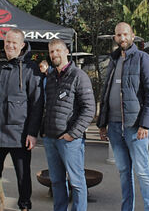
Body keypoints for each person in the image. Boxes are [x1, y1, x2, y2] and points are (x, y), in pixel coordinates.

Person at [97, 22, 149, 211]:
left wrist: (146, 124)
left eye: (125, 34)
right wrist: (102, 123)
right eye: (118, 35)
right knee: (124, 171)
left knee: (142, 172)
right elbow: (106, 93)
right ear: (115, 38)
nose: (122, 38)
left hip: (136, 128)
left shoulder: (143, 58)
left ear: (133, 36)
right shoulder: (114, 60)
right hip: (115, 127)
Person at [0, 28, 44, 211]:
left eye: (15, 42)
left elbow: (37, 104)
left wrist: (32, 133)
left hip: (19, 133)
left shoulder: (31, 69)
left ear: (22, 45)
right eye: (8, 41)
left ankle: (24, 206)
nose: (10, 45)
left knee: (23, 176)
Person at [42, 39, 95, 211]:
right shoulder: (50, 78)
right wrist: (44, 131)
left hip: (70, 140)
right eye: (51, 52)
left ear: (66, 52)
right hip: (51, 139)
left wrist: (73, 134)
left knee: (77, 182)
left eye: (58, 50)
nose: (54, 54)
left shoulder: (79, 76)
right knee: (57, 182)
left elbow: (89, 109)